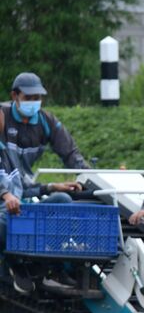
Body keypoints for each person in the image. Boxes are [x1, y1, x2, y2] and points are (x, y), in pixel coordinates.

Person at [1, 72, 89, 293]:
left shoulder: (45, 121)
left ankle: (55, 267)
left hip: (21, 193)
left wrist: (58, 185)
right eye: (29, 98)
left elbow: (71, 153)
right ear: (15, 96)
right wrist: (4, 194)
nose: (34, 103)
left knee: (62, 201)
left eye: (37, 98)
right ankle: (12, 264)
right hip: (6, 203)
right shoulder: (3, 118)